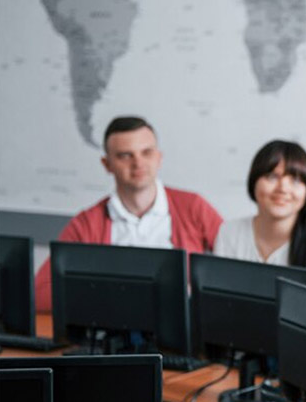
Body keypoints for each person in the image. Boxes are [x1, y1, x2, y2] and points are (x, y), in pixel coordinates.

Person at [34, 116, 224, 311]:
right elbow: (40, 293)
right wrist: (110, 293)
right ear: (107, 164)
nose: (138, 163)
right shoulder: (86, 223)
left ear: (159, 157)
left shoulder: (193, 206)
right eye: (125, 155)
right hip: (114, 331)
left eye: (146, 152)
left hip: (183, 332)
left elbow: (235, 275)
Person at [213, 140, 306, 298]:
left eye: (295, 180)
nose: (283, 188)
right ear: (254, 181)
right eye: (272, 176)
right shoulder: (229, 233)